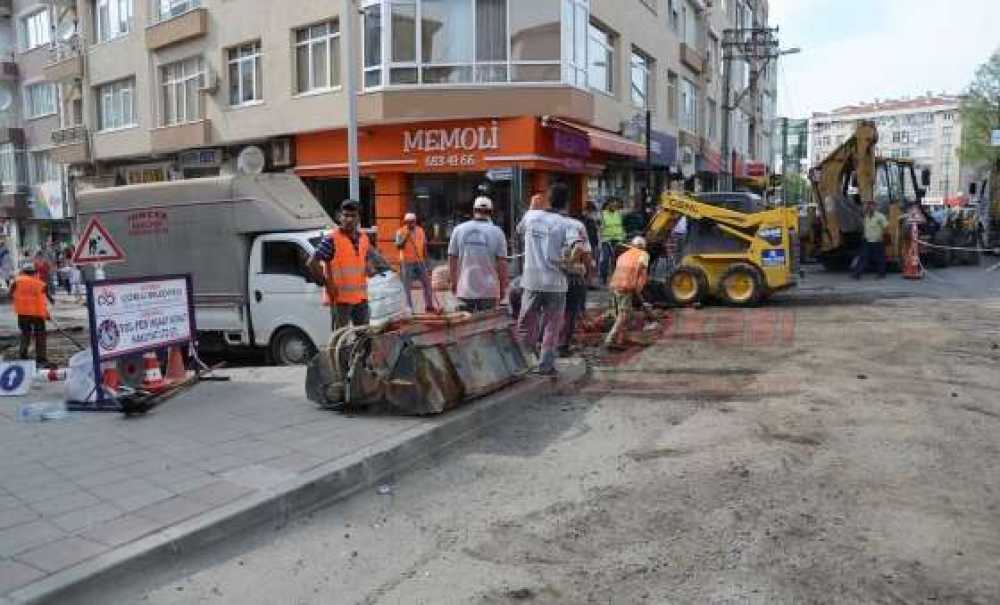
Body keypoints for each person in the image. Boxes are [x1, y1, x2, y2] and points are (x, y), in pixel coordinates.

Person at [517, 182, 579, 376]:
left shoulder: (531, 216)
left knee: (526, 324)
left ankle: (526, 362)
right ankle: (546, 366)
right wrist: (568, 263)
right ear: (566, 203)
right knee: (552, 326)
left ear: (548, 200)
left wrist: (531, 207)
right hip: (555, 283)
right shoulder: (566, 223)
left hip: (531, 281)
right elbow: (577, 246)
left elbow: (519, 230)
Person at [308, 200, 390, 330]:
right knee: (341, 337)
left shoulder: (363, 238)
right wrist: (326, 283)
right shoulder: (331, 239)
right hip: (340, 299)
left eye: (353, 216)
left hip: (361, 298)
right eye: (346, 215)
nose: (349, 219)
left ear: (358, 218)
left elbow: (362, 261)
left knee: (363, 335)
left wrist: (371, 270)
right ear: (340, 217)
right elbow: (312, 262)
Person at [448, 197, 508, 313]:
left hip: (464, 289)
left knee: (465, 323)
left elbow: (452, 258)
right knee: (487, 323)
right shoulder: (498, 232)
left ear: (474, 210)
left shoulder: (459, 230)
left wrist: (453, 281)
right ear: (491, 212)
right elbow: (502, 263)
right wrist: (503, 287)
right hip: (489, 291)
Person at [605, 236, 651, 351]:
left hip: (615, 285)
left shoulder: (623, 255)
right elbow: (641, 271)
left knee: (621, 314)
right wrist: (638, 290)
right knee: (624, 314)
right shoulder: (643, 254)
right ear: (643, 246)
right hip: (626, 286)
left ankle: (620, 340)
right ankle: (610, 338)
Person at [558, 207, 594, 357]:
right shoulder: (577, 225)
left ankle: (547, 343)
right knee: (571, 311)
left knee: (552, 311)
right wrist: (589, 275)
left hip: (551, 275)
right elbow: (585, 252)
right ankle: (563, 345)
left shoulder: (545, 224)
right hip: (573, 275)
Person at [11, 263, 53, 365]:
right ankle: (41, 358)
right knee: (40, 336)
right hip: (38, 314)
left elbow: (10, 294)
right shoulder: (41, 284)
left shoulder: (16, 282)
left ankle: (23, 354)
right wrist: (47, 313)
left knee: (25, 333)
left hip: (23, 313)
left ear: (23, 272)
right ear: (34, 273)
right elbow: (45, 299)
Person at [394, 213, 436, 313]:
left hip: (420, 261)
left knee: (427, 283)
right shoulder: (400, 232)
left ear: (415, 221)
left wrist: (427, 261)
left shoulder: (420, 230)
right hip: (406, 262)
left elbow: (424, 246)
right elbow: (398, 246)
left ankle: (429, 305)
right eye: (408, 222)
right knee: (406, 286)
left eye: (412, 222)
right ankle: (409, 308)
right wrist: (406, 237)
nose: (410, 224)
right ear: (405, 222)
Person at [853, 200, 889, 280]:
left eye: (872, 206)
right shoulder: (866, 217)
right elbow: (865, 228)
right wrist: (863, 236)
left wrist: (882, 237)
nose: (869, 207)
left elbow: (886, 227)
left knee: (879, 259)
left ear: (875, 207)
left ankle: (881, 274)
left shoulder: (880, 216)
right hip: (867, 241)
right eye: (868, 206)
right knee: (863, 257)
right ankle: (857, 274)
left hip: (877, 241)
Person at [599, 198, 625, 284]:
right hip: (606, 240)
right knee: (605, 259)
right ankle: (603, 277)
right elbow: (599, 227)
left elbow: (621, 226)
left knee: (617, 260)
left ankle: (617, 278)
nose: (614, 206)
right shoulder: (603, 214)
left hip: (618, 240)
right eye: (612, 204)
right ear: (608, 205)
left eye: (615, 204)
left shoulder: (619, 214)